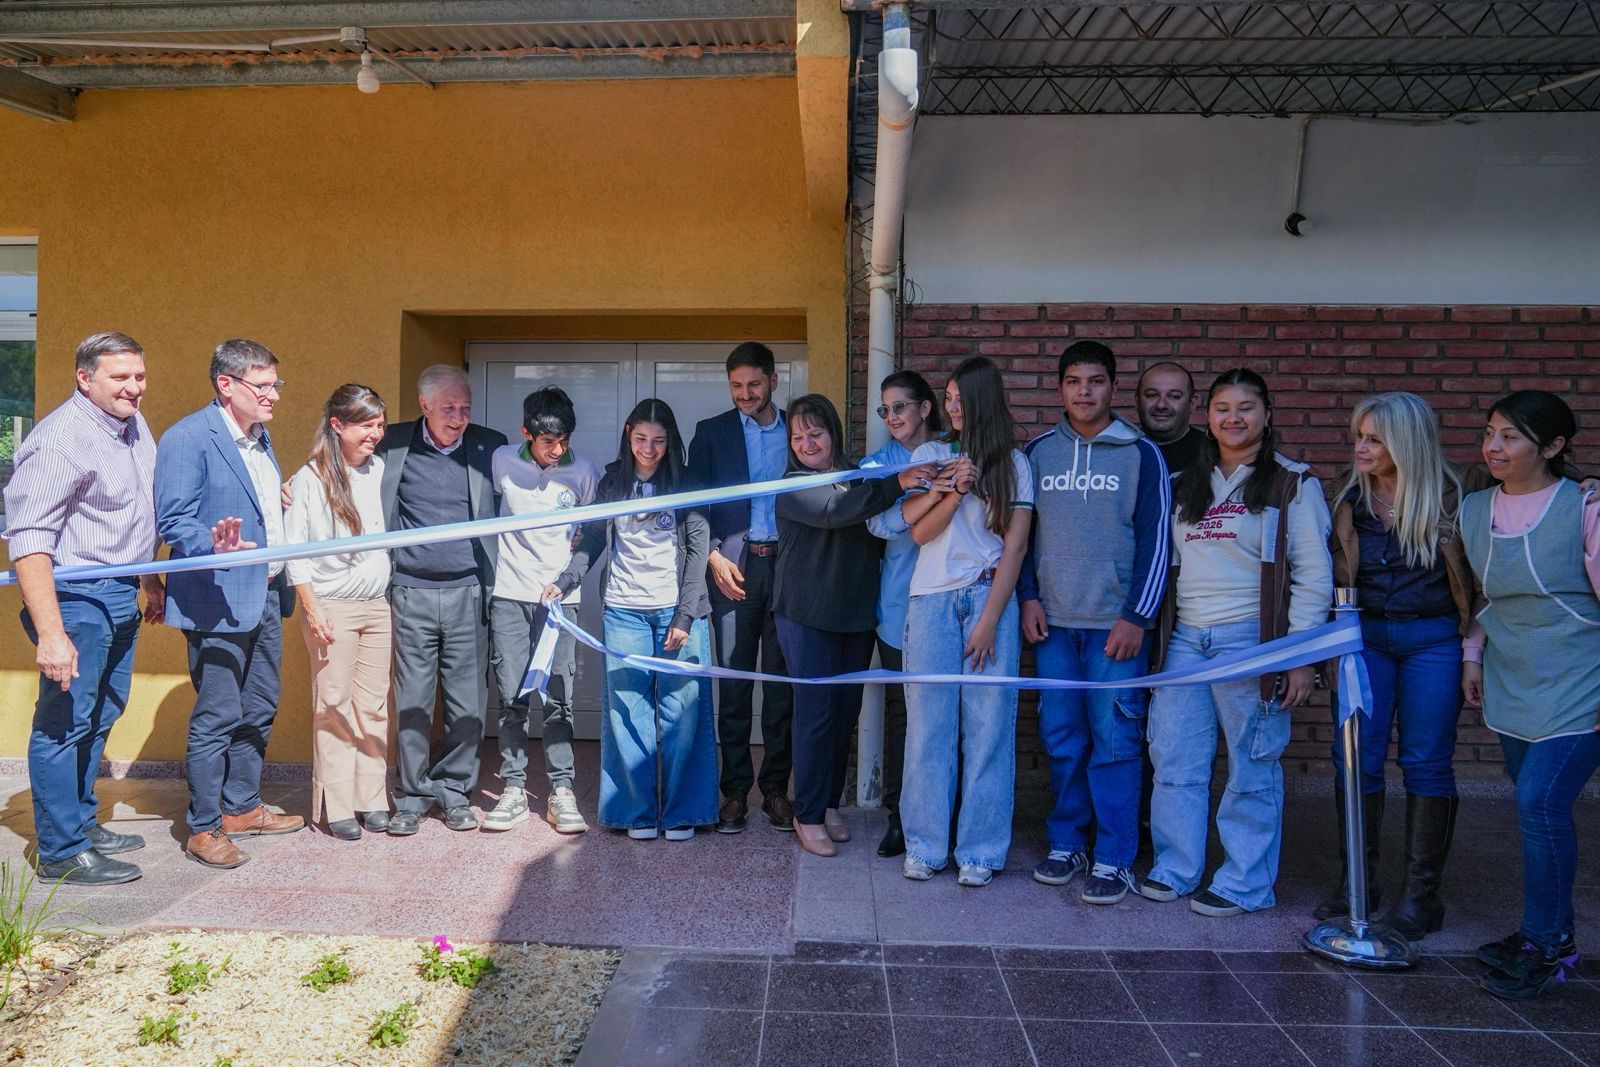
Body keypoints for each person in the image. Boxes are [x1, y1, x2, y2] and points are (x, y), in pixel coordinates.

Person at [1141, 368, 1332, 916]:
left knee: (1252, 765)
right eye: (1222, 408)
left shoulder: (1292, 482)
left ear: (1267, 415)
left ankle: (1246, 882)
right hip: (1185, 640)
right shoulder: (1187, 483)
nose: (1233, 418)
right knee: (1175, 760)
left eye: (1246, 407)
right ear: (1207, 416)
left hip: (1252, 640)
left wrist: (1298, 657)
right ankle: (1176, 867)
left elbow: (1313, 575)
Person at [1313, 392, 1478, 934]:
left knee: (1426, 760)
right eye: (1358, 437)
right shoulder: (1344, 495)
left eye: (1374, 440)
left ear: (1407, 443)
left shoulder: (1459, 493)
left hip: (1434, 639)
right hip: (1363, 641)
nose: (1360, 448)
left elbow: (1546, 472)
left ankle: (1421, 897)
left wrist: (1587, 484)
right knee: (1354, 758)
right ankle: (1358, 882)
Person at [5, 333, 164, 885]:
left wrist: (150, 579)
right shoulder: (60, 441)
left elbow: (137, 512)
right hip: (76, 598)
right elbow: (29, 541)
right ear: (84, 378)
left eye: (139, 376)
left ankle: (81, 823)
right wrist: (51, 634)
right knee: (65, 722)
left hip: (119, 590)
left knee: (102, 714)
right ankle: (61, 851)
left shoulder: (132, 425)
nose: (134, 388)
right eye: (120, 377)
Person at [1018, 341, 1170, 905]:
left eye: (1096, 381)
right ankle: (1068, 843)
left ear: (1113, 387)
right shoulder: (1037, 453)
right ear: (1060, 388)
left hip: (1116, 628)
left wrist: (1137, 616)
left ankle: (1115, 856)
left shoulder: (1142, 454)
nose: (1085, 392)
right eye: (1074, 381)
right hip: (1053, 624)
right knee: (1062, 739)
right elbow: (1020, 535)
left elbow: (1157, 542)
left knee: (1115, 742)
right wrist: (1028, 598)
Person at [1459, 391, 1599, 1000]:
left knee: (1540, 804)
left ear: (1553, 446)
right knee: (1535, 808)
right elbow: (1485, 599)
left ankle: (1546, 945)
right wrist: (1472, 656)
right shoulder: (1474, 510)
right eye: (1490, 432)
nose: (1494, 447)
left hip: (1580, 678)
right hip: (1513, 677)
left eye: (1510, 436)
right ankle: (1550, 933)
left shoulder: (1585, 507)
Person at [156, 339, 303, 869]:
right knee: (218, 713)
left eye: (275, 385)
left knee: (259, 706)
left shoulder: (260, 438)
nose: (274, 395)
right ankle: (203, 828)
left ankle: (241, 808)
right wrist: (211, 546)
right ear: (226, 384)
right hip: (216, 597)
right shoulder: (188, 437)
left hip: (266, 592)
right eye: (263, 386)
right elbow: (173, 519)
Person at [549, 399, 716, 840]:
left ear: (670, 440)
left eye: (659, 440)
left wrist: (685, 615)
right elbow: (593, 540)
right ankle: (635, 812)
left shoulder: (688, 483)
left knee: (683, 714)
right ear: (628, 433)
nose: (649, 448)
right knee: (628, 713)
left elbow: (698, 554)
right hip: (624, 611)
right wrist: (565, 581)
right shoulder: (612, 482)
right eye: (641, 438)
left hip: (679, 613)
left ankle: (682, 812)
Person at [774, 394, 930, 857]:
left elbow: (876, 520)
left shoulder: (860, 477)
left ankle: (826, 804)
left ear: (834, 433)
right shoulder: (791, 484)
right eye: (797, 437)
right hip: (806, 616)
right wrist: (897, 482)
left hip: (856, 615)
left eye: (815, 433)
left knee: (844, 716)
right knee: (816, 716)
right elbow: (834, 512)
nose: (807, 443)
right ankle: (806, 814)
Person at [899, 356, 1034, 887]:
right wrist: (954, 490)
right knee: (928, 729)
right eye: (948, 398)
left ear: (984, 400)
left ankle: (980, 850)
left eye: (961, 399)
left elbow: (1015, 547)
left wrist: (990, 619)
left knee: (989, 728)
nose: (952, 407)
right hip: (931, 601)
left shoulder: (1015, 463)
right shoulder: (932, 455)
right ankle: (925, 845)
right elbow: (919, 533)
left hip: (987, 599)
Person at [377, 364, 507, 836]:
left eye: (465, 408)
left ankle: (454, 791)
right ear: (424, 406)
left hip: (468, 591)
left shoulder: (490, 446)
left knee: (467, 702)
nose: (458, 417)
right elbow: (340, 464)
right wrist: (293, 488)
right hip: (410, 590)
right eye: (449, 408)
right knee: (412, 700)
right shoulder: (392, 443)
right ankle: (413, 795)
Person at [687, 342, 795, 833]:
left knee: (781, 688)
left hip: (789, 570)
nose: (745, 394)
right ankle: (733, 793)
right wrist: (712, 556)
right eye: (736, 386)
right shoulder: (711, 433)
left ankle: (775, 791)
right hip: (733, 570)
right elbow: (693, 506)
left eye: (753, 384)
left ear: (774, 380)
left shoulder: (798, 429)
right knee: (733, 686)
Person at [484, 386, 600, 835]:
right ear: (526, 433)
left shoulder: (583, 470)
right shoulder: (500, 461)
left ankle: (561, 790)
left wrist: (567, 578)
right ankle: (513, 789)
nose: (557, 449)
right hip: (510, 594)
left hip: (559, 601)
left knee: (558, 698)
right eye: (548, 441)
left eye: (564, 440)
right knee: (512, 695)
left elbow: (592, 536)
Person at [284, 384, 393, 841]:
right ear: (337, 425)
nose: (375, 434)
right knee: (333, 707)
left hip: (377, 607)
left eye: (380, 425)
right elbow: (294, 550)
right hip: (332, 608)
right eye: (366, 425)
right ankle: (337, 805)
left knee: (373, 707)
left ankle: (372, 799)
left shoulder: (378, 469)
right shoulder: (309, 479)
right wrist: (312, 609)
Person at [863, 370, 943, 858]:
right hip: (898, 607)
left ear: (925, 408)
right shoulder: (877, 464)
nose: (891, 417)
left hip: (953, 604)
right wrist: (920, 494)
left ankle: (944, 813)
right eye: (885, 409)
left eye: (899, 407)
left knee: (944, 713)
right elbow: (877, 524)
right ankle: (900, 816)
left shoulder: (953, 452)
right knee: (902, 715)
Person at [1136, 362, 1205, 473]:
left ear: (1192, 404)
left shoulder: (1212, 452)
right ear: (1137, 402)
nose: (1161, 405)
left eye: (1174, 396)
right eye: (1151, 395)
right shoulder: (1120, 448)